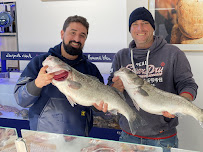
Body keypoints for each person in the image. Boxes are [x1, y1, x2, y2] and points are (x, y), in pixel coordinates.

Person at [98, 7, 198, 152]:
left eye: (145, 23)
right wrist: (115, 87)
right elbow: (110, 90)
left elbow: (188, 84)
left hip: (162, 139)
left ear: (153, 27)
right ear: (130, 29)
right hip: (128, 136)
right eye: (135, 24)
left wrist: (181, 103)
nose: (140, 28)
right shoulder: (121, 56)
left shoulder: (174, 53)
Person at [14, 15, 104, 137]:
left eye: (82, 35)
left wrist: (99, 108)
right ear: (62, 34)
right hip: (43, 139)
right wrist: (37, 84)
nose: (77, 39)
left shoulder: (91, 70)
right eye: (73, 33)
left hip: (78, 140)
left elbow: (98, 108)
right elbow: (21, 99)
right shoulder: (40, 62)